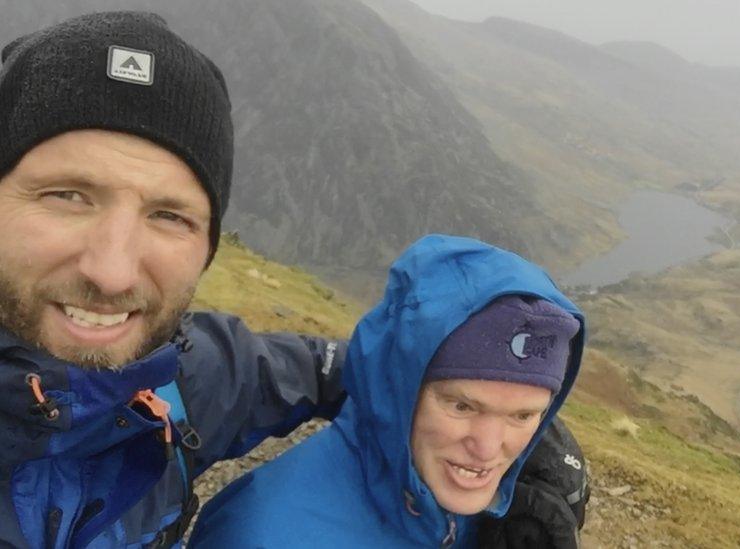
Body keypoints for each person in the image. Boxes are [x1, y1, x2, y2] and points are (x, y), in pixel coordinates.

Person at [0, 11, 586, 548]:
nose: (111, 270)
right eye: (67, 196)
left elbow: (320, 367)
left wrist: (490, 405)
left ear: (208, 242)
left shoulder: (194, 378)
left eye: (169, 215)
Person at [189, 234, 587, 548]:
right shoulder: (262, 536)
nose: (487, 449)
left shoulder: (504, 512)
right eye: (462, 406)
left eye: (522, 415)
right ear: (398, 390)